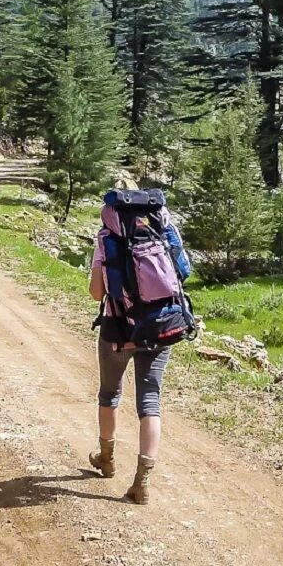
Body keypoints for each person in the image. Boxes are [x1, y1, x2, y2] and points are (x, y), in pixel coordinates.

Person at [87, 188, 193, 504]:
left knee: (109, 394)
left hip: (118, 329)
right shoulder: (161, 232)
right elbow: (184, 273)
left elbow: (96, 292)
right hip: (161, 327)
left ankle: (106, 459)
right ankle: (142, 482)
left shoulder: (107, 239)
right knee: (150, 400)